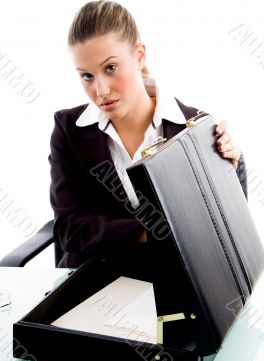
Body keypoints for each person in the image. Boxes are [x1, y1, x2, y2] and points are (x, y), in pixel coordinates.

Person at [49, 0, 247, 269]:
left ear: (139, 55)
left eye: (110, 68)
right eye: (86, 76)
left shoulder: (193, 128)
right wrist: (151, 232)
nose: (101, 90)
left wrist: (232, 167)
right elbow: (68, 228)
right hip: (93, 281)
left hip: (175, 281)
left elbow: (226, 230)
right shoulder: (69, 129)